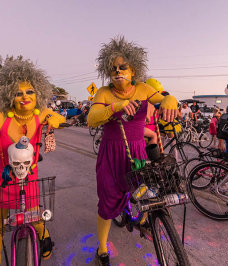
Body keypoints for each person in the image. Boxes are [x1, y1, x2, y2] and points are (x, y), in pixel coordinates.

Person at [0, 55, 65, 266]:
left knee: (34, 214)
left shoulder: (42, 113)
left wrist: (56, 119)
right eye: (18, 93)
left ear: (39, 93)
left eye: (30, 92)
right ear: (9, 95)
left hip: (28, 172)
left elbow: (60, 117)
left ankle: (44, 237)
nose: (24, 97)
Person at [87, 36, 178, 266]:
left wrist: (170, 100)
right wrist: (115, 106)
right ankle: (102, 248)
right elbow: (91, 119)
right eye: (114, 68)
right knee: (107, 203)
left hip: (137, 152)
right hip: (111, 153)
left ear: (133, 69)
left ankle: (143, 218)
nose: (118, 71)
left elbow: (162, 98)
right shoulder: (104, 93)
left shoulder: (142, 88)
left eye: (123, 67)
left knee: (148, 191)